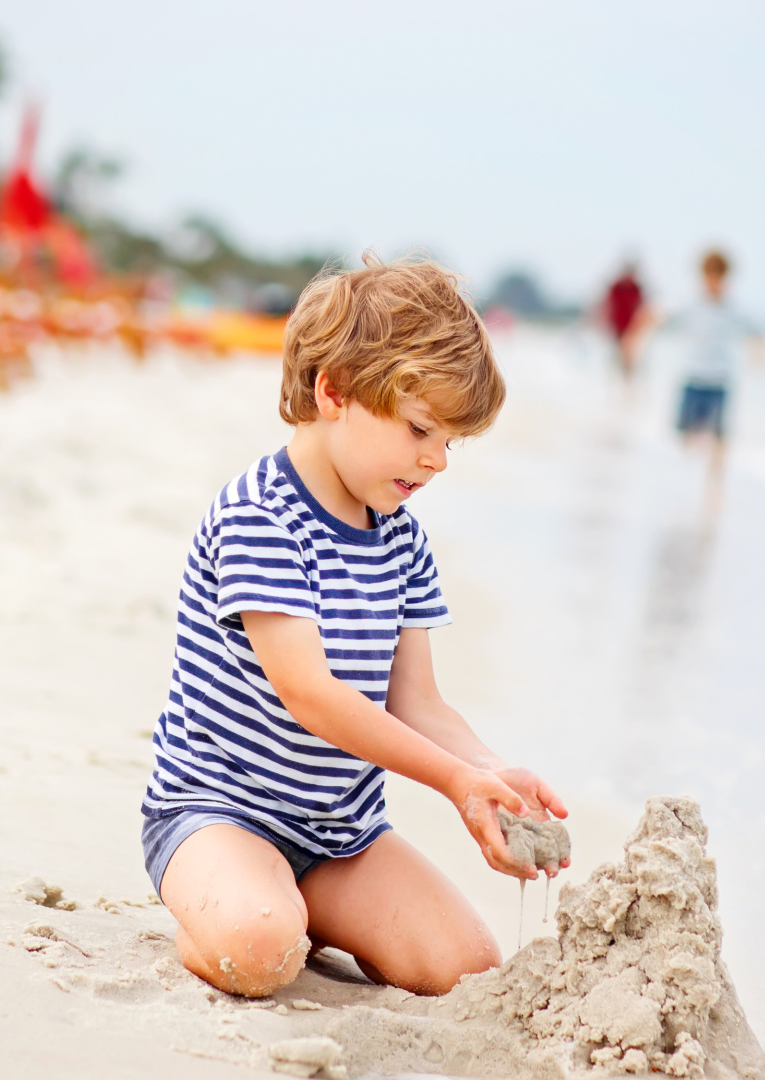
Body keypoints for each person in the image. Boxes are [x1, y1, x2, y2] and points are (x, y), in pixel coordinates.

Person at [141, 255, 569, 998]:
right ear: (333, 390)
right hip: (220, 812)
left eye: (450, 443)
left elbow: (418, 704)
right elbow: (313, 695)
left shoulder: (400, 538)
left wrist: (490, 772)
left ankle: (304, 905)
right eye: (419, 430)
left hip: (340, 837)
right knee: (261, 949)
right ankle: (228, 912)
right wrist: (451, 782)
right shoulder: (260, 516)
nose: (436, 461)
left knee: (466, 967)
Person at [677, 249, 765, 479]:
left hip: (720, 380)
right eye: (710, 277)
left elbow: (755, 333)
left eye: (720, 278)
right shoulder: (691, 305)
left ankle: (715, 481)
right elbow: (655, 316)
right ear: (702, 277)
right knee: (685, 434)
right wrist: (635, 338)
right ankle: (688, 473)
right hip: (693, 377)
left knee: (720, 436)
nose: (715, 283)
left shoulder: (733, 309)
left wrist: (758, 357)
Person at [603, 261, 648, 378]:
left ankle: (629, 382)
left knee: (631, 358)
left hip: (633, 328)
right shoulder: (616, 287)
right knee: (619, 358)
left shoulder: (637, 288)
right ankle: (621, 382)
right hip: (618, 327)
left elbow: (642, 308)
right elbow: (608, 306)